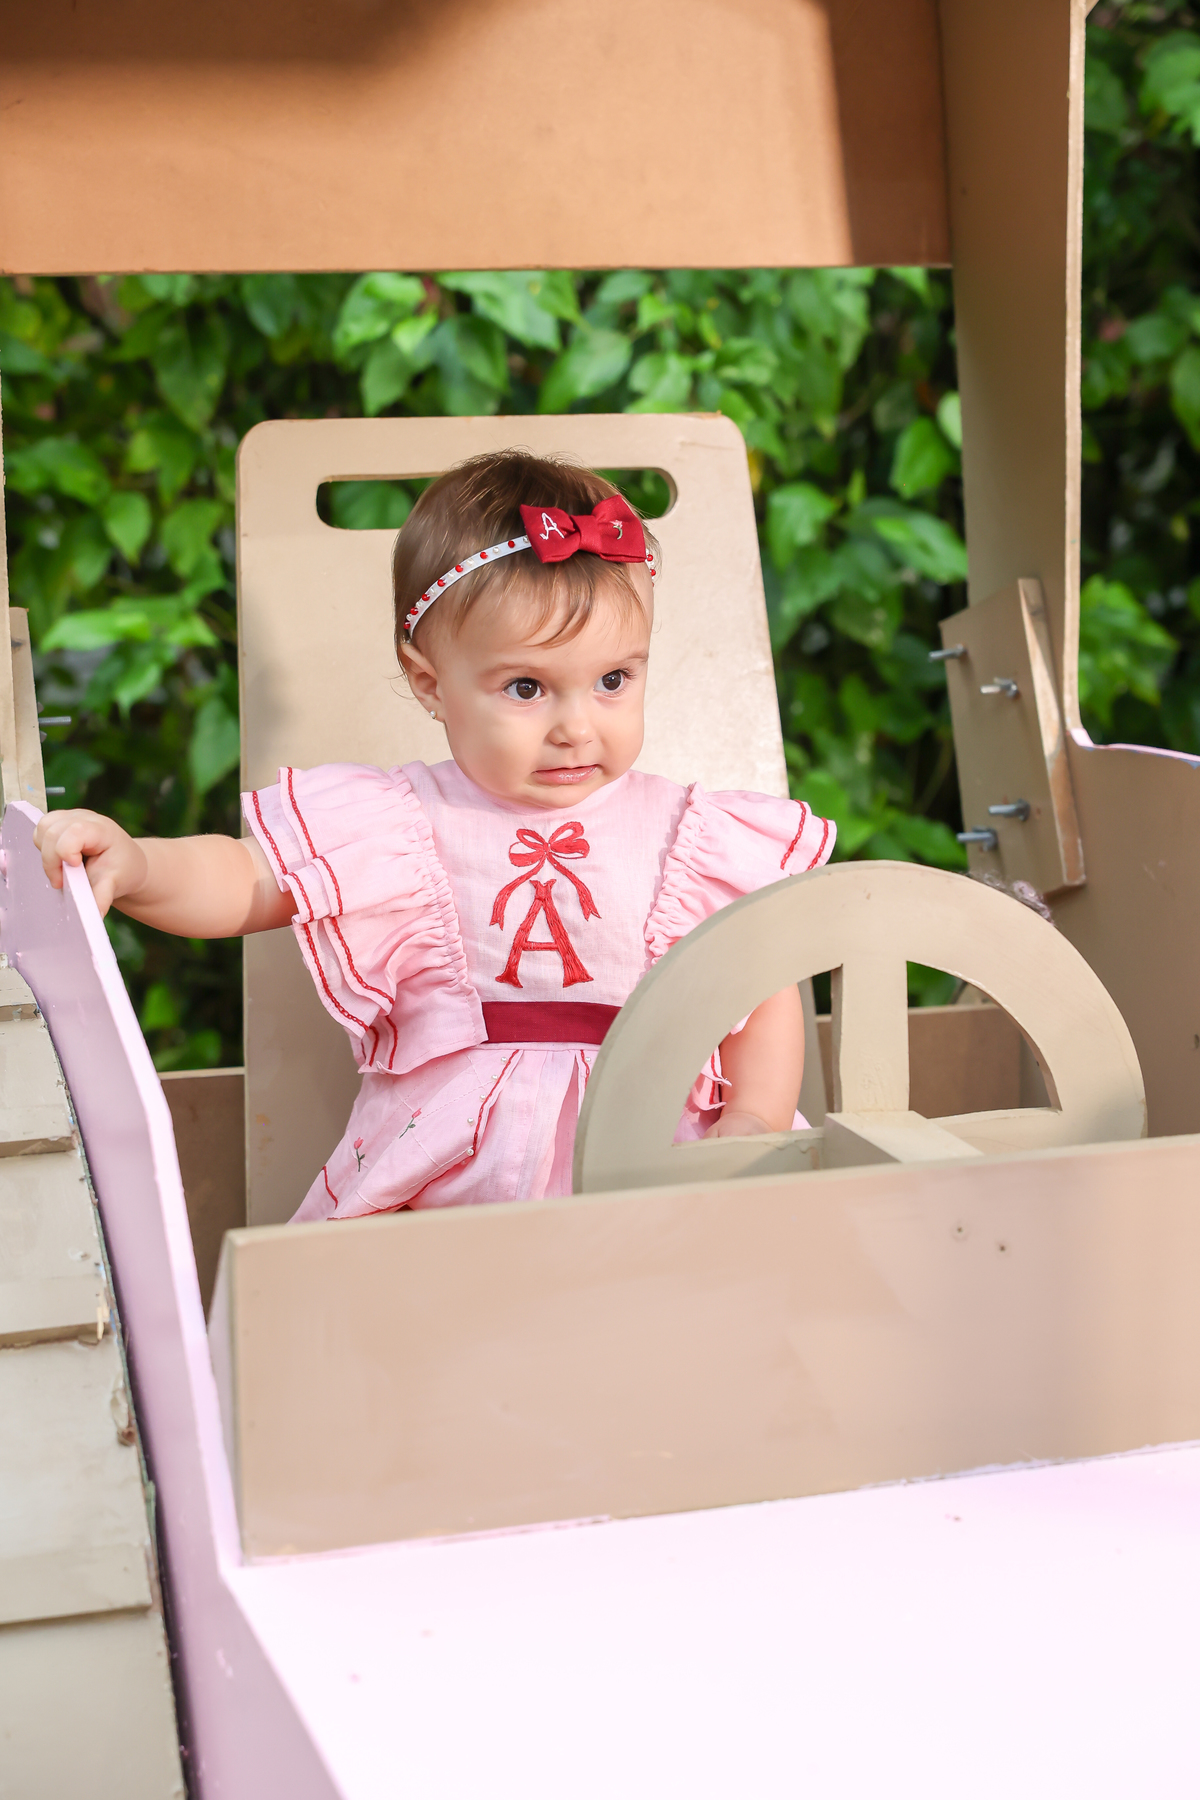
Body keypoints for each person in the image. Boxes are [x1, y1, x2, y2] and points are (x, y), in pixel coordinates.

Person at [35, 450, 835, 1220]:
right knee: (399, 1290)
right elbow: (247, 880)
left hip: (650, 1155)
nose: (576, 726)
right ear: (430, 683)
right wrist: (140, 865)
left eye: (612, 680)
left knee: (705, 1290)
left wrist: (753, 1119)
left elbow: (754, 983)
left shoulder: (691, 836)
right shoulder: (399, 824)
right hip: (452, 1169)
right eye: (527, 688)